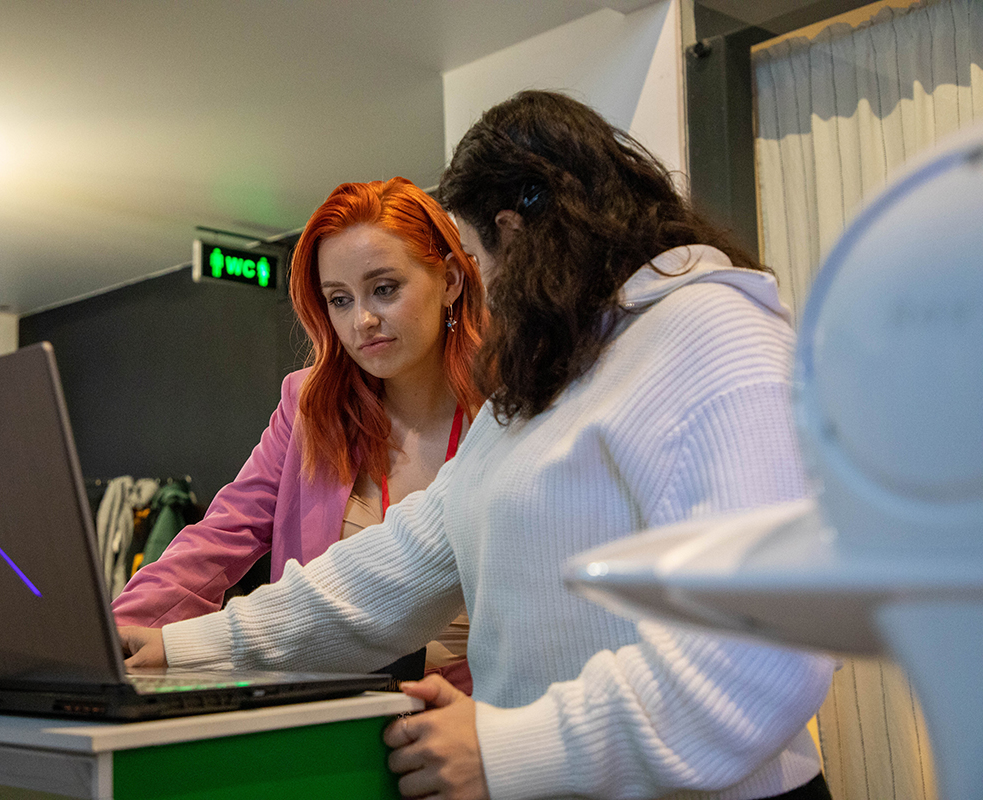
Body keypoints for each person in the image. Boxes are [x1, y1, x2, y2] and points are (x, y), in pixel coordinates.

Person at [121, 91, 835, 800]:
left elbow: (761, 651)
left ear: (511, 236)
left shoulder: (714, 333)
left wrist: (505, 746)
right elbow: (394, 567)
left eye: (470, 255)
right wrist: (184, 647)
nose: (483, 287)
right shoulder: (553, 378)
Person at [112, 177, 486, 692]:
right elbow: (218, 538)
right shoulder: (310, 408)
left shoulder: (511, 408)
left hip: (477, 710)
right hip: (331, 705)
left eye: (384, 289)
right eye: (340, 299)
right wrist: (108, 636)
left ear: (450, 281)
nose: (363, 320)